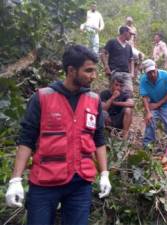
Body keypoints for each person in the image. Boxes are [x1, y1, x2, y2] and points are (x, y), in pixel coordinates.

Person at [5, 45, 112, 225]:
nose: (94, 76)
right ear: (71, 70)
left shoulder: (94, 100)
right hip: (45, 183)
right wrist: (15, 179)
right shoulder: (42, 98)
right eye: (88, 70)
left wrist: (104, 174)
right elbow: (27, 140)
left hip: (80, 183)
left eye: (95, 70)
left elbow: (99, 139)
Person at [139, 59, 167, 147]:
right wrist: (148, 112)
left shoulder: (166, 75)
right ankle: (147, 148)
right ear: (145, 73)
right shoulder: (143, 80)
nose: (152, 74)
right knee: (149, 122)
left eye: (153, 71)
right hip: (153, 104)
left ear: (156, 67)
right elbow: (144, 96)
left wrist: (157, 104)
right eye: (149, 73)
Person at [101, 26, 135, 94]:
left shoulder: (129, 46)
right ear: (125, 32)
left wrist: (132, 73)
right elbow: (103, 53)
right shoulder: (112, 42)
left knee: (129, 92)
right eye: (130, 34)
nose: (131, 36)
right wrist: (106, 67)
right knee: (115, 92)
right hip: (115, 72)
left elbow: (131, 60)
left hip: (126, 73)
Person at [100, 73, 134, 139]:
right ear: (112, 84)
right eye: (116, 85)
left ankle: (124, 135)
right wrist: (112, 97)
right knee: (103, 113)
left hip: (119, 120)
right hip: (107, 121)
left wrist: (115, 103)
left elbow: (131, 104)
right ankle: (105, 135)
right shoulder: (104, 93)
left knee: (128, 110)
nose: (118, 88)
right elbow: (103, 108)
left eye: (121, 86)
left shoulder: (125, 94)